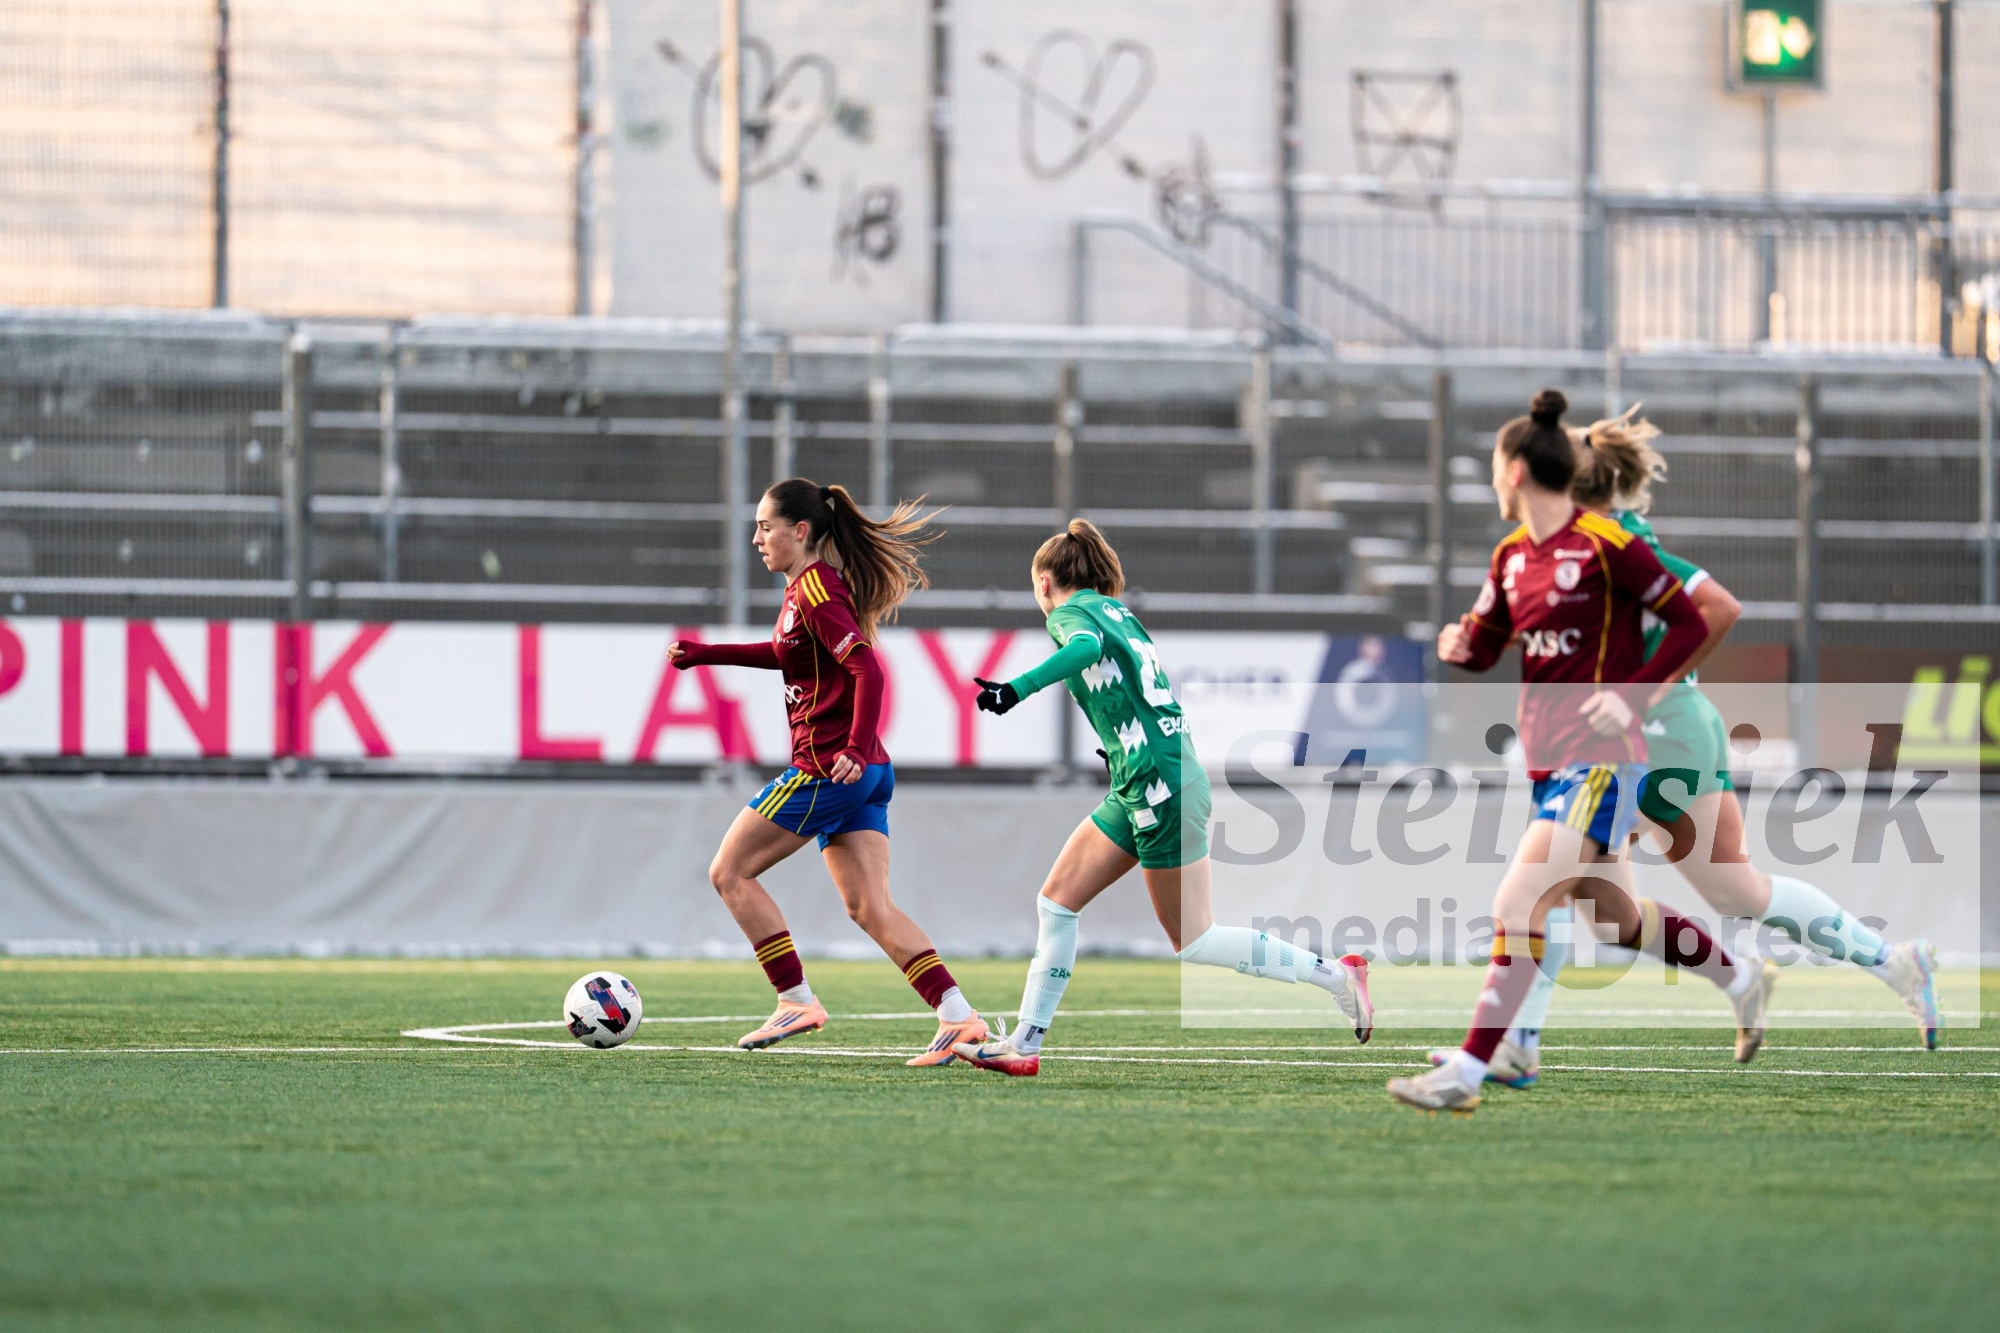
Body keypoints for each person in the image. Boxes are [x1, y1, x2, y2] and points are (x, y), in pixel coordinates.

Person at [1447, 412, 1942, 1088]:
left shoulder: (1608, 543)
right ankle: (1869, 966)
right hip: (1668, 727)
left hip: (1652, 734)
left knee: (1553, 882)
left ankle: (1517, 1044)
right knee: (1632, 911)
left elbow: (1716, 606)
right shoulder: (1577, 546)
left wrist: (1638, 693)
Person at [1387, 389, 1779, 1114]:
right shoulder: (1511, 556)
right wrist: (1460, 645)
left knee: (1518, 901)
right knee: (1614, 920)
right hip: (1549, 762)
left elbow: (1693, 622)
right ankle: (1742, 979)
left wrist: (1633, 695)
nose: (1493, 480)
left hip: (1602, 761)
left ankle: (1471, 1070)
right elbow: (1486, 646)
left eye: (1494, 467)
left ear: (1514, 472)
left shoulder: (1607, 544)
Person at [949, 519, 1374, 1077]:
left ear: (1044, 582)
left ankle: (1338, 976)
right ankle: (1024, 1045)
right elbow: (1132, 692)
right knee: (1057, 903)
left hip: (1159, 784)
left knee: (1195, 939)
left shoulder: (1070, 614)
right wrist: (1121, 752)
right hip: (1145, 779)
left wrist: (1018, 688)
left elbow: (1083, 648)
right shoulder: (1117, 612)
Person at [667, 478, 991, 1066]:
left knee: (729, 872)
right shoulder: (807, 588)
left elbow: (870, 669)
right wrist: (708, 655)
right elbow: (786, 653)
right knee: (870, 907)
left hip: (827, 768)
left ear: (800, 531)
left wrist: (855, 748)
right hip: (862, 774)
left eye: (766, 527)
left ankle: (795, 999)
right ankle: (958, 1016)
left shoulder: (815, 589)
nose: (757, 538)